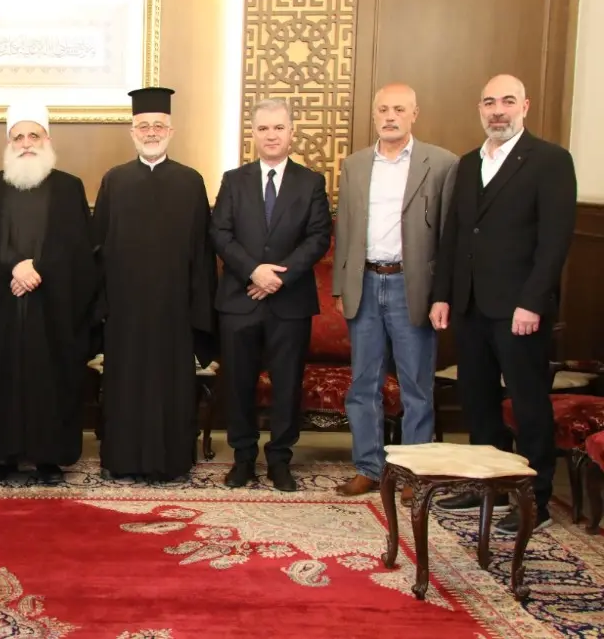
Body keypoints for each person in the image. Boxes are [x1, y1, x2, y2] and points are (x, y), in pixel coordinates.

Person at [430, 74, 577, 534]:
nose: (498, 110)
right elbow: (455, 236)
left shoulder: (550, 161)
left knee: (528, 404)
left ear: (524, 106)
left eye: (507, 101)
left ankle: (535, 499)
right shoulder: (468, 163)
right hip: (471, 305)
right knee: (478, 401)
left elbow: (554, 241)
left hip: (520, 310)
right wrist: (443, 295)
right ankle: (485, 486)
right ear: (480, 108)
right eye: (490, 102)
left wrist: (532, 302)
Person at [333, 84, 458, 497]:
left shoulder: (442, 163)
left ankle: (414, 472)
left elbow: (449, 235)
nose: (390, 116)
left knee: (416, 386)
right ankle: (368, 467)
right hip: (365, 283)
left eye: (399, 109)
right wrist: (341, 286)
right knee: (363, 385)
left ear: (414, 114)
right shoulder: (354, 165)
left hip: (413, 286)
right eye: (383, 109)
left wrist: (443, 293)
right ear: (374, 115)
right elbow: (345, 228)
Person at [0, 103, 97, 485]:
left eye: (33, 136)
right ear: (9, 142)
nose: (26, 143)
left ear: (47, 140)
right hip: (0, 305)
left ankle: (49, 458)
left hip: (52, 306)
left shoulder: (69, 187)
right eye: (18, 137)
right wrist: (14, 267)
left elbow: (78, 247)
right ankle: (1, 456)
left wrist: (39, 269)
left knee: (51, 378)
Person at [92, 87, 218, 482]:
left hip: (174, 311)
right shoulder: (114, 181)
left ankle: (171, 462)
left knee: (171, 387)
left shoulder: (190, 182)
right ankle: (123, 460)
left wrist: (198, 313)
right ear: (132, 132)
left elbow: (202, 252)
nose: (151, 132)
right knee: (125, 385)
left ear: (171, 131)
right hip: (125, 312)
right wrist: (103, 308)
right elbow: (97, 249)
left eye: (158, 126)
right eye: (143, 126)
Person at [211, 97, 330, 492]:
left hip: (289, 301)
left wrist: (280, 276)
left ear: (291, 132)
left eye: (279, 127)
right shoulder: (234, 179)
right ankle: (243, 458)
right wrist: (254, 271)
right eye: (263, 128)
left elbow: (318, 237)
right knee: (238, 384)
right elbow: (219, 233)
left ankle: (280, 459)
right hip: (239, 299)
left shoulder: (310, 182)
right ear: (253, 134)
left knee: (287, 385)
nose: (271, 135)